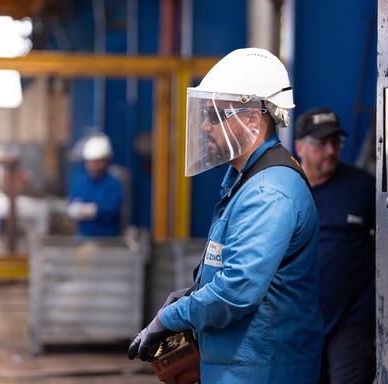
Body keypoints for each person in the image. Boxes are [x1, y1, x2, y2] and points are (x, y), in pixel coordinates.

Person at [128, 48, 324, 383]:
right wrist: (192, 294)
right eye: (205, 114)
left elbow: (236, 293)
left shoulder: (267, 192)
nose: (204, 125)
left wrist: (168, 318)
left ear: (251, 119)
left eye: (216, 115)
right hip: (241, 364)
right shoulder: (244, 181)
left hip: (262, 369)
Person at [295, 108, 376, 384]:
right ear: (300, 147)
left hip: (351, 321)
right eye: (321, 143)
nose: (330, 150)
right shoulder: (286, 189)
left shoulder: (363, 188)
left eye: (335, 142)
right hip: (299, 321)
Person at [67, 133, 123, 237]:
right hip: (84, 236)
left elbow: (113, 207)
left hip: (109, 238)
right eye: (91, 162)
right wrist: (73, 209)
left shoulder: (113, 183)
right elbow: (73, 201)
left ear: (106, 161)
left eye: (98, 162)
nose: (94, 166)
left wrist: (92, 210)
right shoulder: (81, 182)